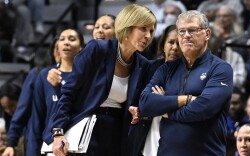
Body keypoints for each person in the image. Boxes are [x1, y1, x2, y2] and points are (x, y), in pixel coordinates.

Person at [48, 4, 156, 156]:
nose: (148, 36)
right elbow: (69, 92)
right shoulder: (98, 49)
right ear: (127, 26)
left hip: (117, 134)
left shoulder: (143, 64)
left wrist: (136, 110)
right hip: (87, 128)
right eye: (143, 29)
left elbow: (135, 105)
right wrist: (58, 131)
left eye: (151, 31)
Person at [139, 10, 233, 155]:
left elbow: (203, 109)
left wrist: (165, 110)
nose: (186, 35)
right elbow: (145, 103)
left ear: (207, 34)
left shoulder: (221, 69)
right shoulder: (167, 69)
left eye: (192, 30)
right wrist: (186, 100)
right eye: (181, 31)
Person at [27, 28, 85, 155]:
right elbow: (37, 118)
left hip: (80, 144)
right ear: (57, 46)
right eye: (62, 39)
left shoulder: (87, 75)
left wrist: (59, 89)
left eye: (72, 39)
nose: (66, 43)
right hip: (52, 146)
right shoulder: (44, 75)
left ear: (81, 47)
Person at [128, 24, 182, 156]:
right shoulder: (150, 68)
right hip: (145, 130)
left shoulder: (189, 73)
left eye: (179, 43)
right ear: (163, 45)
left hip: (175, 133)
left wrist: (162, 101)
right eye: (170, 42)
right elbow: (139, 101)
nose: (174, 48)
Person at [1, 37, 60, 156]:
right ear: (52, 51)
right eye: (57, 47)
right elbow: (22, 110)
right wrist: (11, 142)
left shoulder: (79, 77)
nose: (62, 50)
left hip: (66, 141)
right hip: (38, 142)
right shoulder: (37, 74)